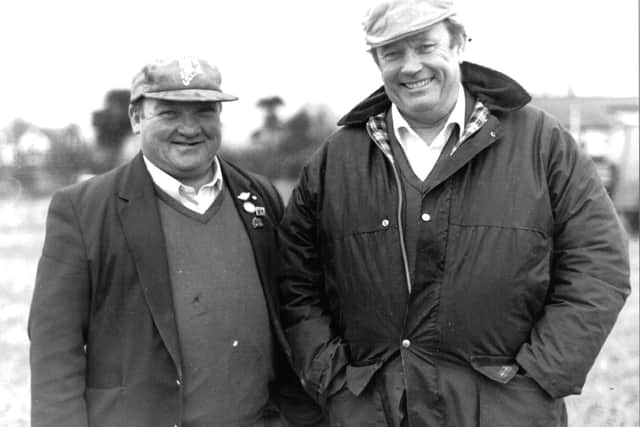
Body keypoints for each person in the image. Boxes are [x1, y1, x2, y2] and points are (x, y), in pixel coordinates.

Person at [277, 1, 631, 426]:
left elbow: (599, 267)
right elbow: (295, 282)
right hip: (372, 412)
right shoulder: (336, 160)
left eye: (427, 46)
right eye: (392, 53)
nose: (411, 67)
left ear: (460, 44)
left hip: (505, 413)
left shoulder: (543, 144)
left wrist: (538, 381)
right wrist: (333, 383)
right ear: (376, 61)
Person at [29, 56, 324, 427]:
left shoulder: (259, 195)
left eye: (203, 112)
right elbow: (54, 348)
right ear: (137, 118)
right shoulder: (82, 210)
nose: (189, 128)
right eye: (168, 113)